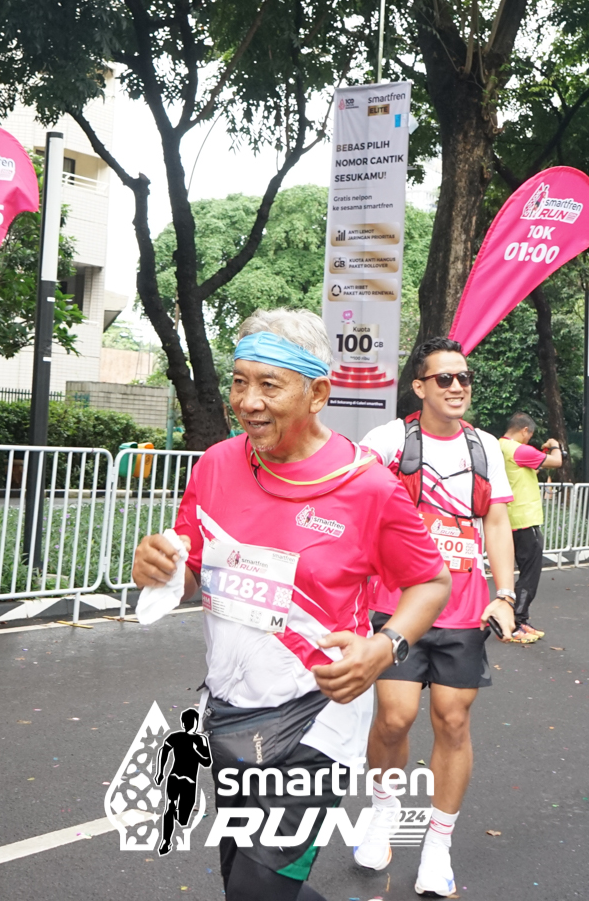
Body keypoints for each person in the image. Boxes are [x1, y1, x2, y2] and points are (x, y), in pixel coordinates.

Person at [130, 308, 451, 901]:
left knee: (257, 891)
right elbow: (191, 569)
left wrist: (385, 648)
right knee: (243, 882)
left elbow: (432, 582)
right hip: (231, 711)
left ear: (318, 393)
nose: (248, 401)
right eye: (239, 382)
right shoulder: (216, 465)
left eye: (269, 385)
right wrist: (160, 567)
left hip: (317, 715)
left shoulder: (368, 486)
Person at [353, 336, 518, 898]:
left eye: (464, 377)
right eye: (444, 378)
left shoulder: (485, 447)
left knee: (452, 721)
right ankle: (383, 811)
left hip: (464, 608)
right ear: (419, 387)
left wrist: (505, 595)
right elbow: (353, 502)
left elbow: (496, 523)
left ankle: (438, 843)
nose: (456, 386)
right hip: (397, 603)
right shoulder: (389, 441)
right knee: (395, 718)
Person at [498, 414, 563, 644]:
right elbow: (557, 462)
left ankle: (513, 619)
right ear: (525, 430)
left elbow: (528, 471)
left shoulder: (499, 447)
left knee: (509, 574)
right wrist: (554, 446)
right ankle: (518, 621)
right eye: (530, 435)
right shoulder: (518, 449)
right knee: (529, 574)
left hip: (507, 519)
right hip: (525, 519)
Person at [154, 707, 212, 855]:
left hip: (183, 780)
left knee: (182, 818)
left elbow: (206, 762)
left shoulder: (198, 739)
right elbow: (163, 751)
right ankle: (166, 841)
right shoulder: (181, 737)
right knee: (170, 806)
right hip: (179, 778)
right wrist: (160, 772)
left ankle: (175, 815)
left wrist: (195, 752)